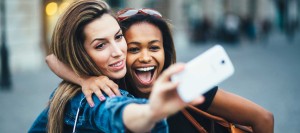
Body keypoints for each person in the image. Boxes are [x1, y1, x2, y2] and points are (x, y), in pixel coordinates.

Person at [46, 7, 274, 133]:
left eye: (154, 47)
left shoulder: (186, 85)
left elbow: (263, 118)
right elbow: (53, 58)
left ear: (166, 52)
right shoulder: (115, 91)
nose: (146, 57)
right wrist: (84, 79)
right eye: (134, 49)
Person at [28, 1, 205, 132]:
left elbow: (52, 59)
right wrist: (152, 112)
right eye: (100, 45)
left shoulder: (73, 87)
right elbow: (115, 112)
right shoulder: (92, 98)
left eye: (119, 37)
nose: (118, 52)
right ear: (79, 54)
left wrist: (84, 79)